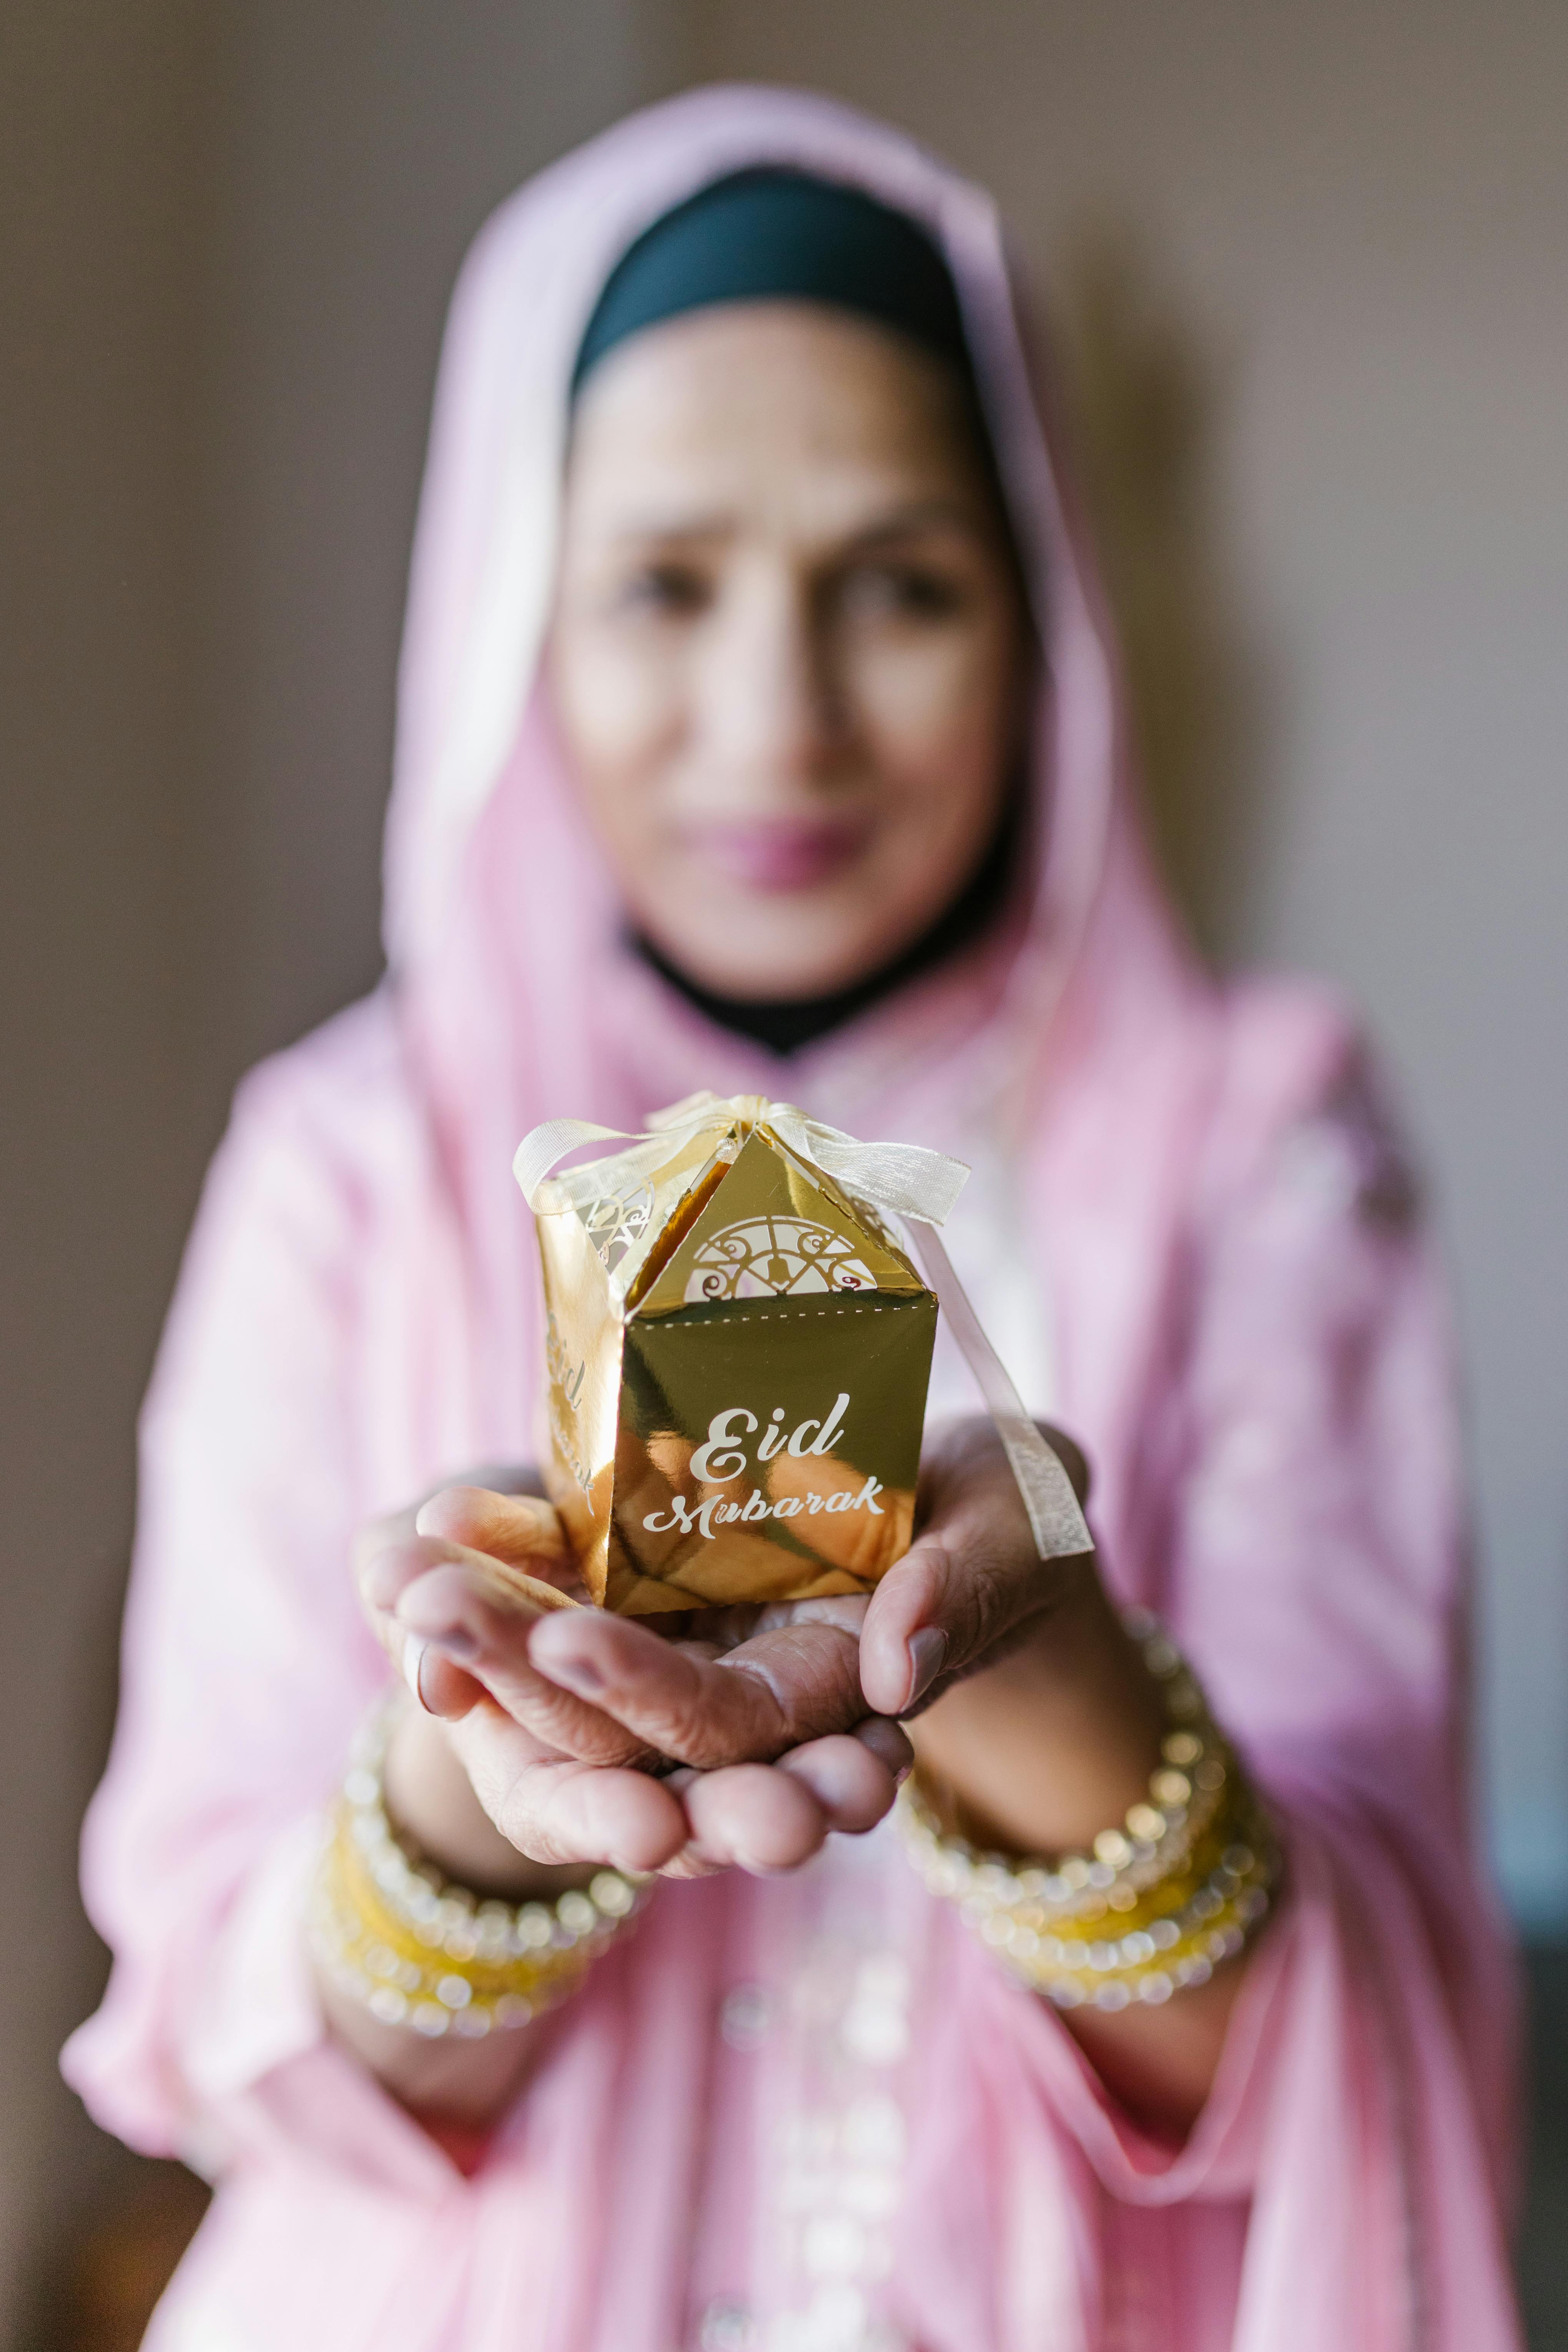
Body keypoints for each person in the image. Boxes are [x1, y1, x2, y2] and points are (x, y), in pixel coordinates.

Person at [64, 86, 1522, 2352]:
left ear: (1046, 615)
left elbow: (1348, 2046)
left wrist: (1028, 1669)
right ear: (511, 618)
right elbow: (239, 2051)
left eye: (902, 585)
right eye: (662, 583)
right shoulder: (351, 1162)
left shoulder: (1257, 1146)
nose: (782, 719)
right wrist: (483, 1756)